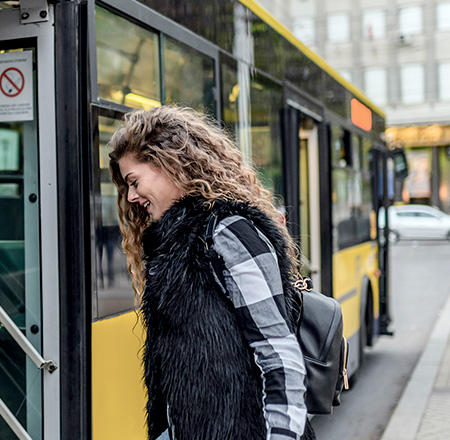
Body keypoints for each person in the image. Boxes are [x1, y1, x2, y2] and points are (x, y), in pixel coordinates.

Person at [108, 106, 313, 440]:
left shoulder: (228, 233)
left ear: (169, 163)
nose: (131, 197)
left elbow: (278, 354)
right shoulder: (175, 245)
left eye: (134, 182)